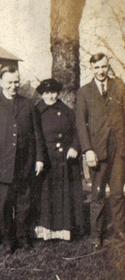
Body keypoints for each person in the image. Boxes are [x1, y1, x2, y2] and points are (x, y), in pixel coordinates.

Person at [0, 66, 44, 254]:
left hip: (25, 163)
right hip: (2, 164)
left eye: (16, 82)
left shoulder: (28, 103)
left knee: (24, 203)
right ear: (1, 83)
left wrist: (39, 158)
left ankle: (23, 237)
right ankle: (8, 240)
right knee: (5, 204)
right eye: (9, 82)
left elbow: (37, 134)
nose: (14, 86)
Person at [76, 53, 125, 248]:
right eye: (96, 68)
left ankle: (120, 230)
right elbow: (81, 123)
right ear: (91, 69)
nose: (101, 71)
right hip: (97, 151)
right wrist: (88, 149)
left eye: (103, 67)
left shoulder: (119, 86)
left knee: (117, 193)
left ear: (108, 66)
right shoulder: (84, 92)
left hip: (119, 150)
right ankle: (96, 235)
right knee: (97, 194)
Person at [33, 79, 84, 241]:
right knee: (47, 196)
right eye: (46, 93)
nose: (50, 96)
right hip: (46, 161)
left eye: (53, 92)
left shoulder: (67, 111)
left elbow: (79, 130)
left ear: (58, 93)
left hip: (66, 161)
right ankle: (46, 232)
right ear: (42, 94)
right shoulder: (36, 111)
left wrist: (75, 147)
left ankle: (66, 230)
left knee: (65, 195)